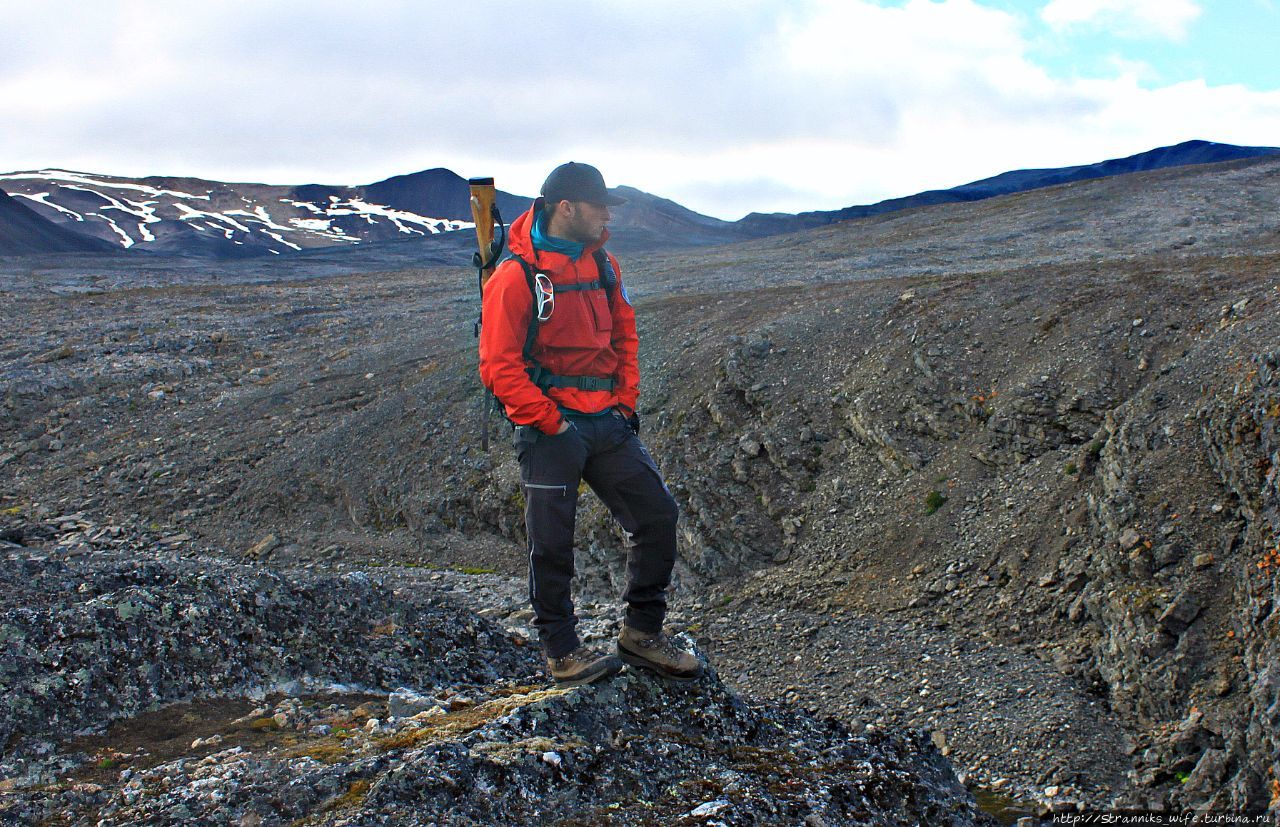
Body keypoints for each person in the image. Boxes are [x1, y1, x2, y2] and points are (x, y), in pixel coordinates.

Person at [478, 162, 702, 687]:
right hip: (552, 428)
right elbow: (498, 366)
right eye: (599, 205)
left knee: (656, 516)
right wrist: (550, 422)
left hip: (607, 420)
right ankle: (561, 652)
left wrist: (624, 404)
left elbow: (626, 334)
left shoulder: (604, 265)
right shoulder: (516, 276)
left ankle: (641, 635)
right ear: (566, 207)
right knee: (551, 542)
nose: (607, 214)